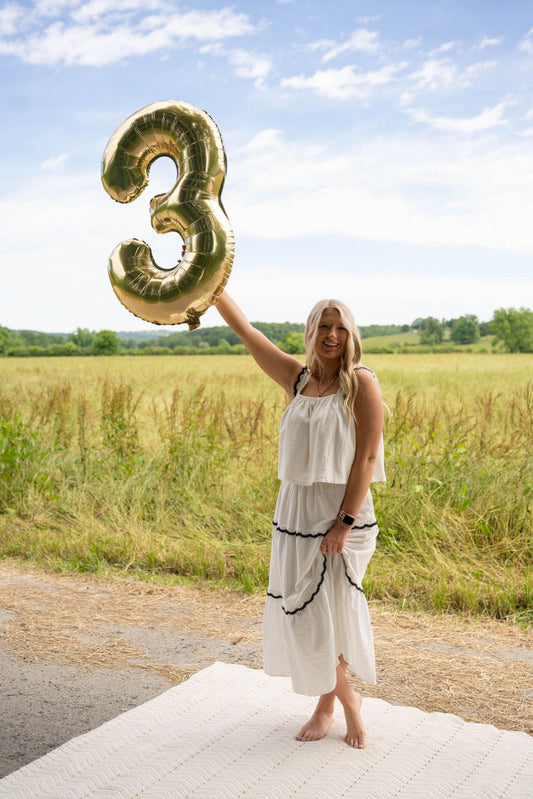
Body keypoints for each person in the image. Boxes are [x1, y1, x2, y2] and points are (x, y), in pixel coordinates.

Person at [215, 290, 385, 749]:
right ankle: (339, 700)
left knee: (331, 613)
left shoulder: (361, 383)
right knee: (305, 615)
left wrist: (343, 523)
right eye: (323, 326)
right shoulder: (296, 377)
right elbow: (246, 331)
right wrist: (210, 286)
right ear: (310, 331)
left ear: (350, 334)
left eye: (340, 327)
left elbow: (366, 458)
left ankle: (339, 703)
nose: (331, 335)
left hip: (340, 517)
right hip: (294, 514)